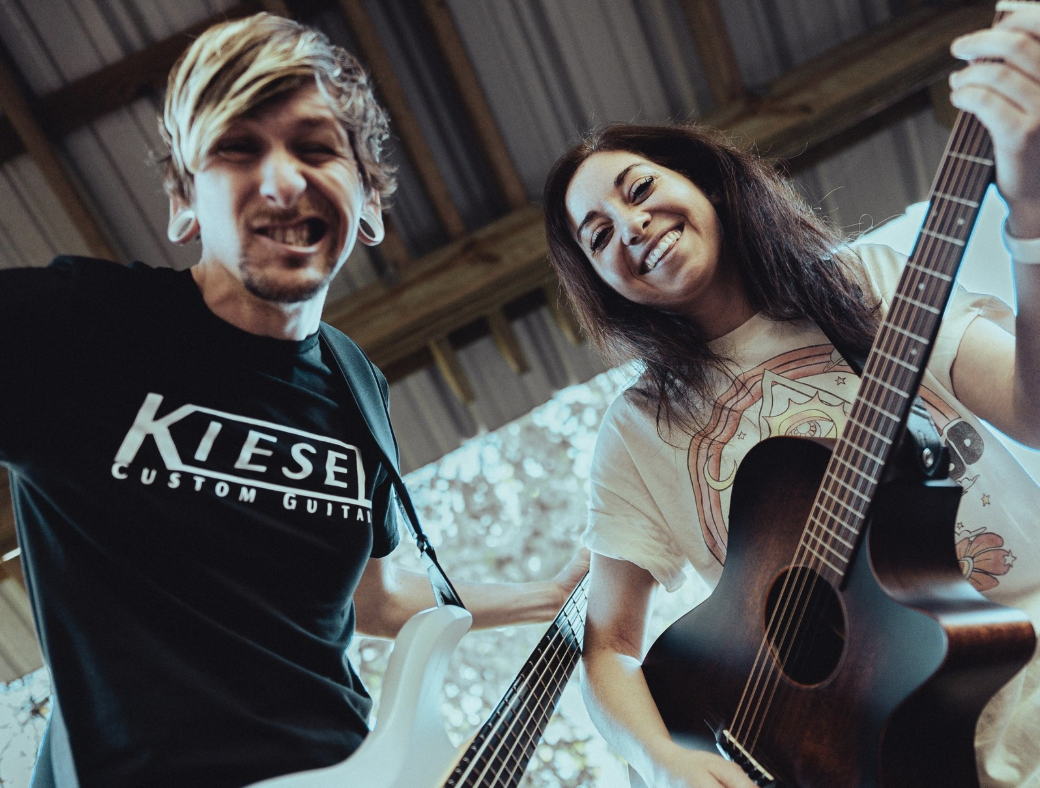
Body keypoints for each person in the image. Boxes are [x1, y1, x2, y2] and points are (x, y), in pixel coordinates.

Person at [0, 13, 586, 788]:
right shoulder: (76, 327)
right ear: (183, 204)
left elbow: (374, 598)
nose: (282, 180)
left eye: (315, 148)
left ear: (369, 202)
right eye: (236, 149)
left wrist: (548, 596)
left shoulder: (356, 386)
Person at [542, 5, 1040, 788]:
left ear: (703, 180)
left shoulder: (870, 285)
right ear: (600, 282)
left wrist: (1031, 219)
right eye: (597, 236)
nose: (630, 227)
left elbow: (1034, 412)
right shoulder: (639, 430)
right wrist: (663, 757)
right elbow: (609, 647)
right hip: (866, 761)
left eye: (639, 190)